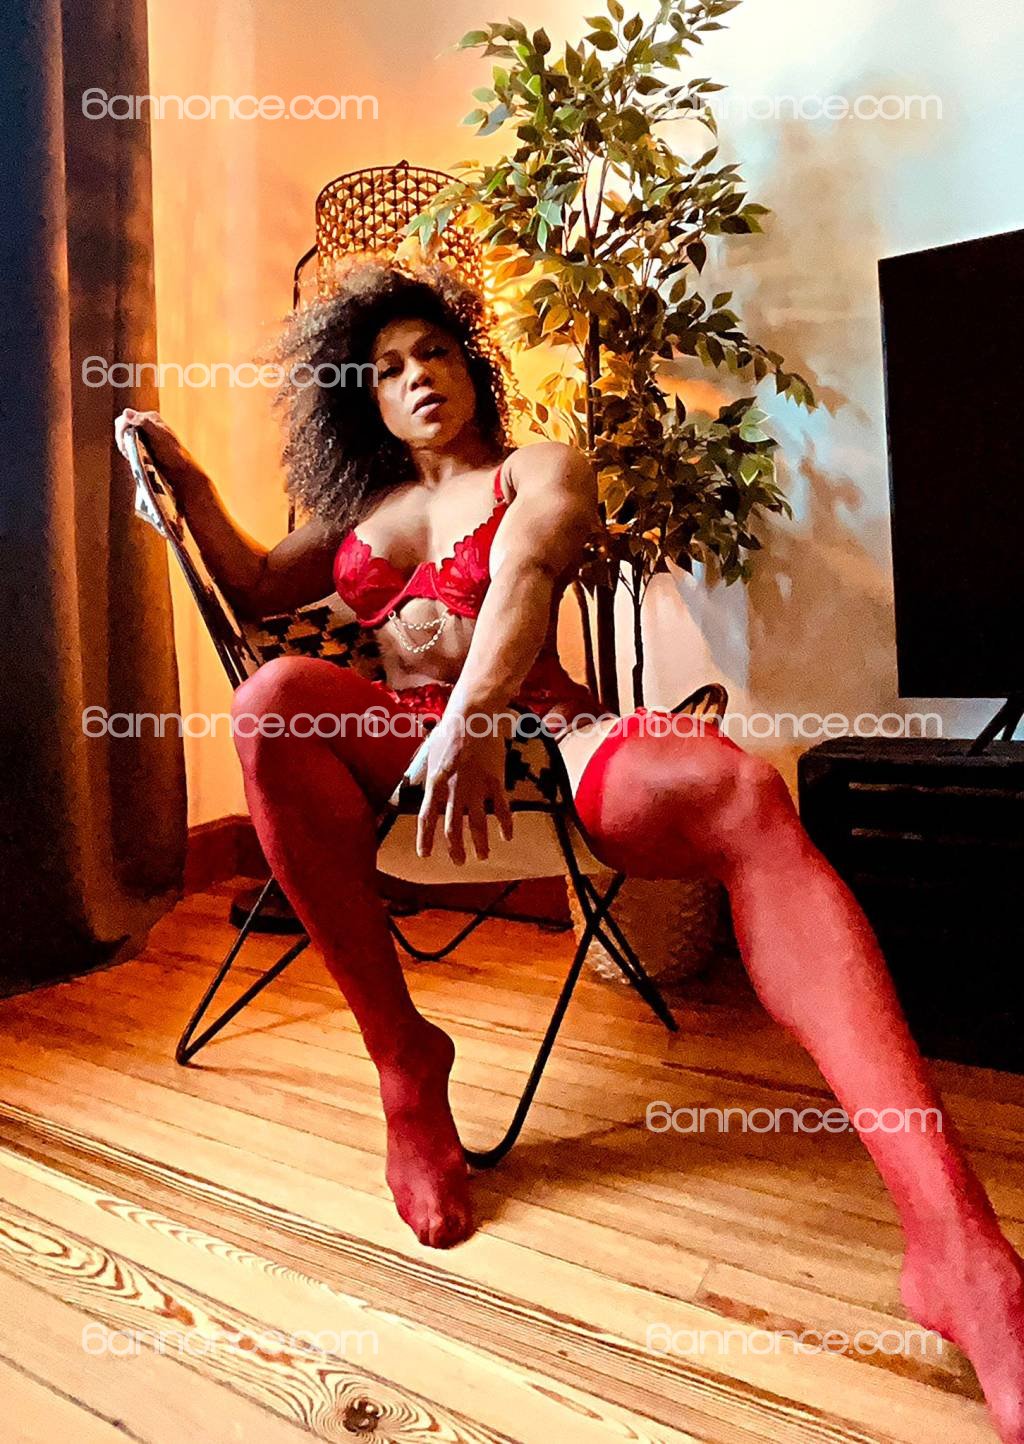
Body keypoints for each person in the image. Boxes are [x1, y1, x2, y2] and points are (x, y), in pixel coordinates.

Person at [115, 260, 1023, 1442]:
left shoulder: (535, 469)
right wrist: (183, 481)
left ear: (470, 368)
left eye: (434, 352)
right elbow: (247, 585)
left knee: (737, 788)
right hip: (402, 755)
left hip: (547, 735)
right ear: (366, 401)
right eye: (387, 369)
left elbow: (531, 569)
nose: (417, 377)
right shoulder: (354, 522)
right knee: (272, 698)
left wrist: (474, 717)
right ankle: (405, 1063)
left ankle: (957, 1245)